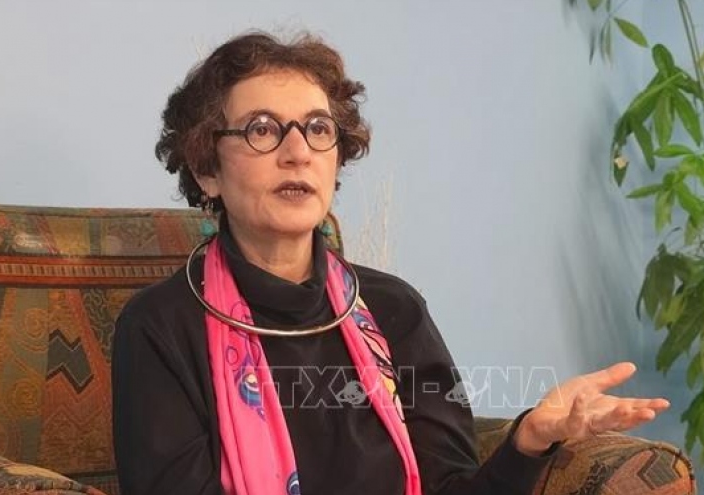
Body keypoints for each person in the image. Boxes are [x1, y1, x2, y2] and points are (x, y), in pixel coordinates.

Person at [111, 31, 670, 495]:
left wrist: (528, 441)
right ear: (206, 169)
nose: (297, 151)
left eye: (318, 128)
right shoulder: (160, 327)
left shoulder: (392, 308)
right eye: (262, 129)